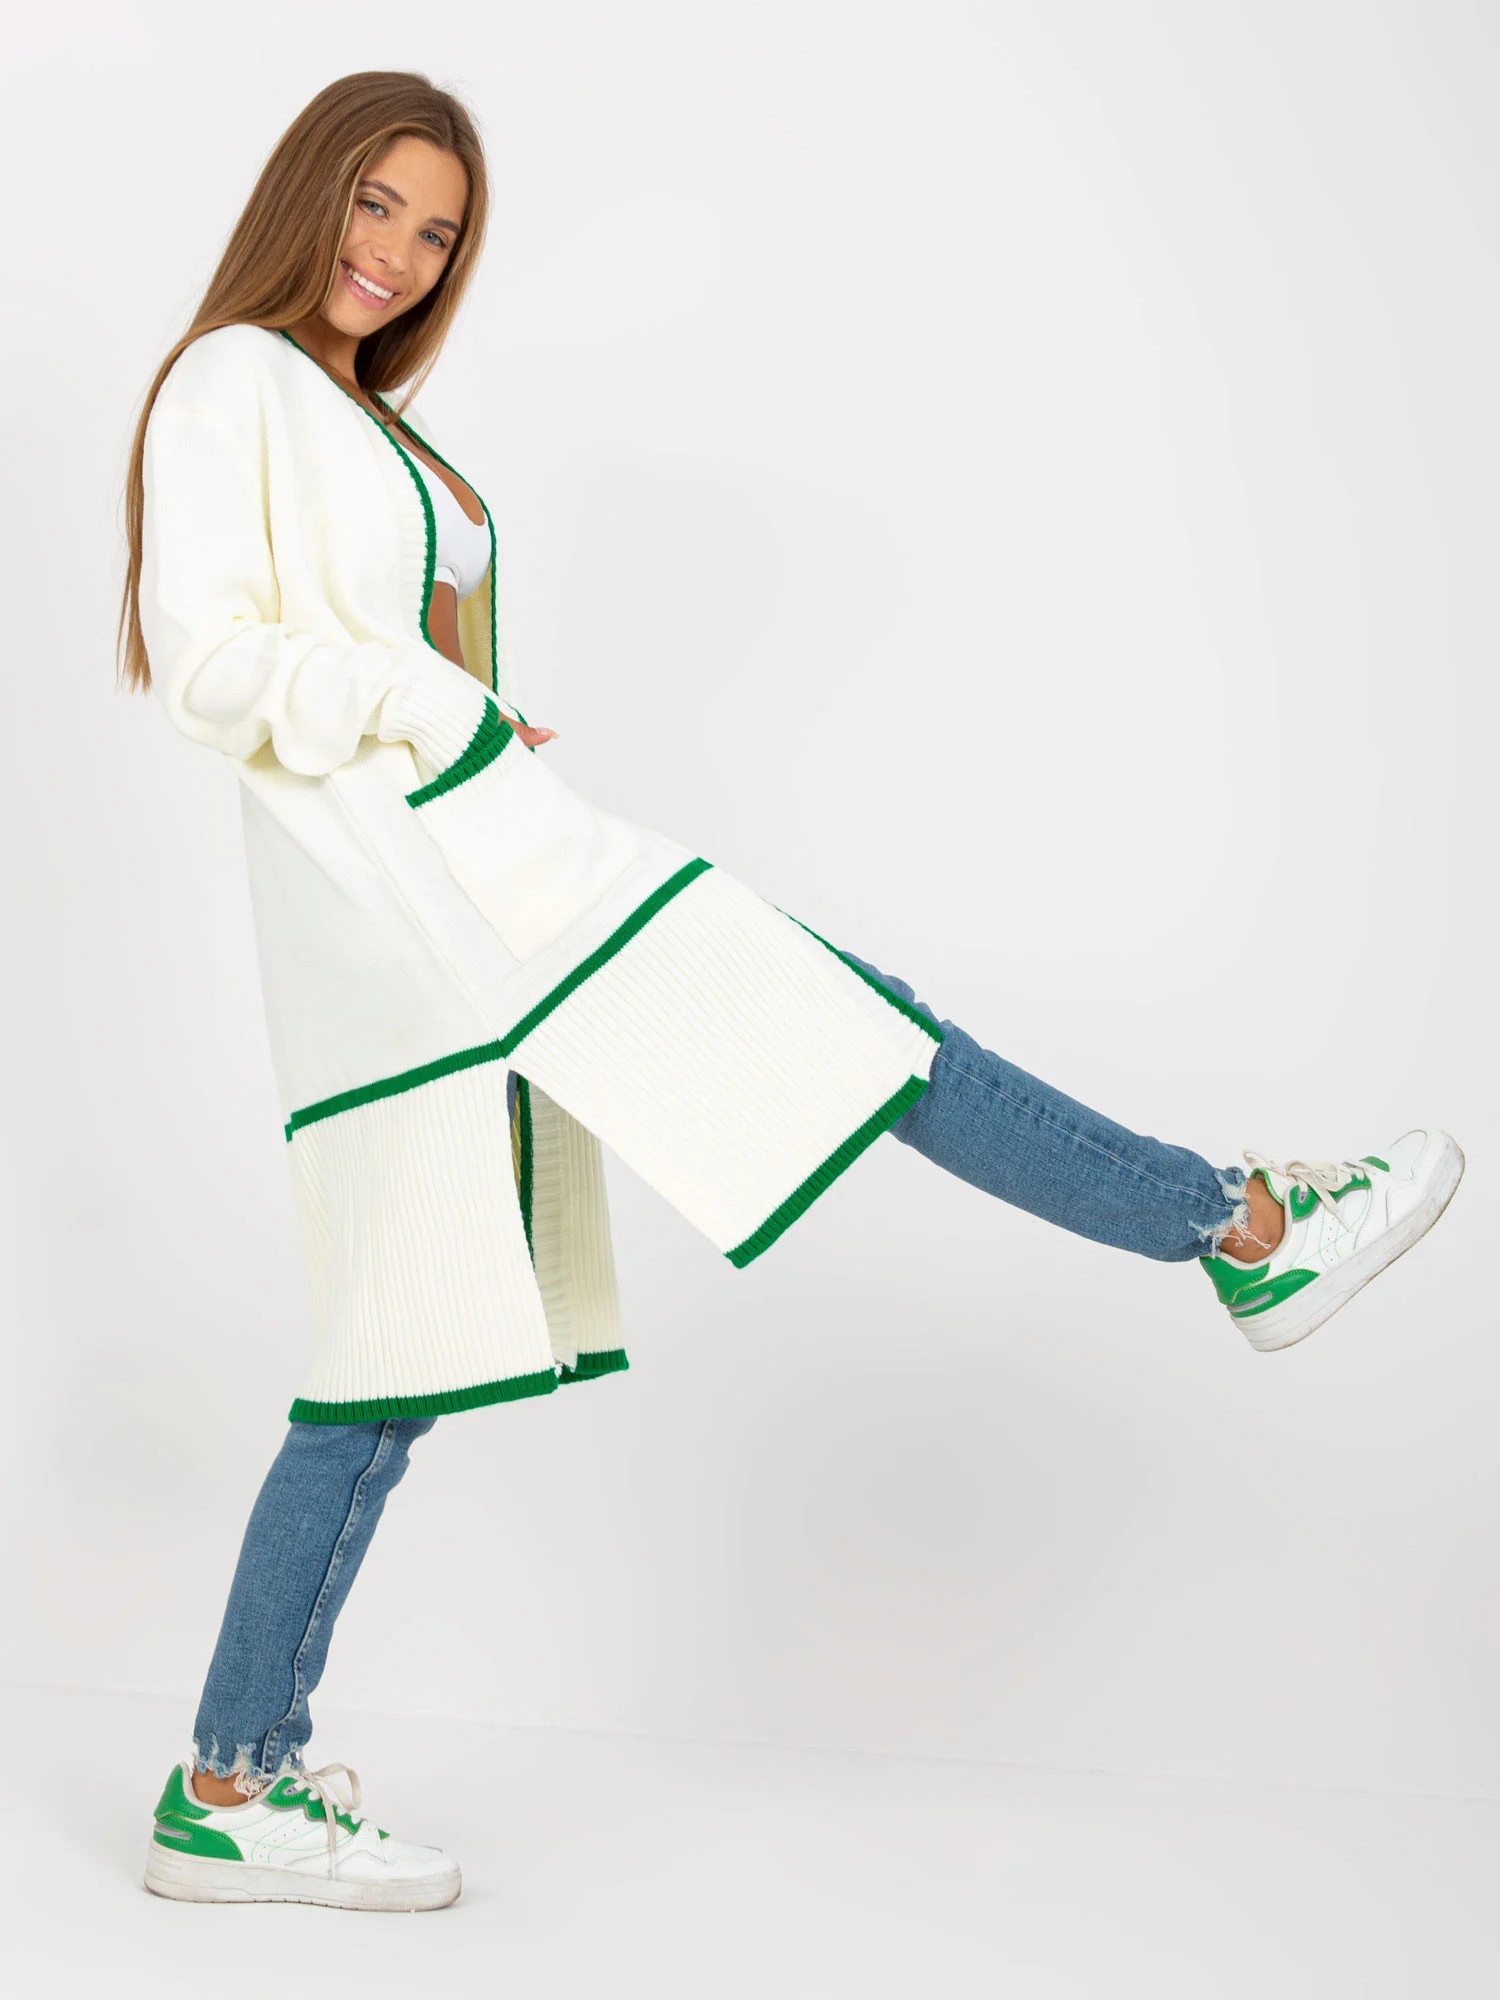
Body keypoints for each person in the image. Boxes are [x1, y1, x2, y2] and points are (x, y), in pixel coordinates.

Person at [119, 72, 1464, 1915]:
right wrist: (442, 707)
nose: (399, 255)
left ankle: (227, 1781)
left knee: (403, 1350)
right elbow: (204, 657)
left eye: (436, 233)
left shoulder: (372, 424)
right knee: (842, 1055)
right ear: (310, 192)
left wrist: (462, 717)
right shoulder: (234, 383)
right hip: (444, 914)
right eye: (375, 206)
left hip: (486, 888)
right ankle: (1247, 1228)